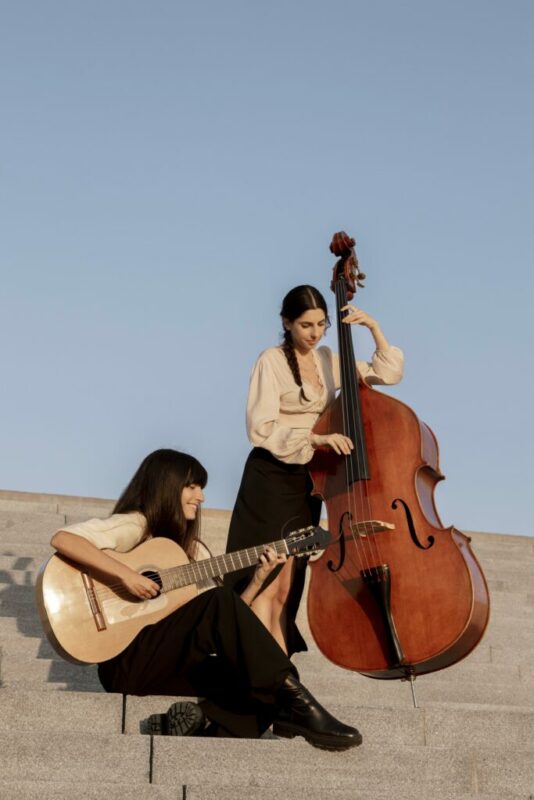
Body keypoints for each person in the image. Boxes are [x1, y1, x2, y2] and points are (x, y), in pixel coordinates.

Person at [50, 448, 361, 749]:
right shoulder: (136, 525)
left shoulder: (194, 551)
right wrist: (126, 575)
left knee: (258, 682)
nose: (201, 496)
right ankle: (301, 704)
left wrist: (257, 580)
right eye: (193, 486)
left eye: (202, 488)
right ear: (167, 486)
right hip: (124, 662)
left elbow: (219, 616)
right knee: (223, 607)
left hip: (170, 663)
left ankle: (203, 735)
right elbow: (64, 540)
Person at [224, 285, 404, 655]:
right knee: (264, 579)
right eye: (306, 325)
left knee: (290, 584)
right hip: (270, 478)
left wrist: (373, 327)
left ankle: (276, 668)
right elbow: (260, 428)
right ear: (286, 322)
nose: (316, 332)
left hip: (308, 483)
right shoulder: (270, 361)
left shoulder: (328, 360)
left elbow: (386, 374)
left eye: (322, 324)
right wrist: (317, 438)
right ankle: (250, 662)